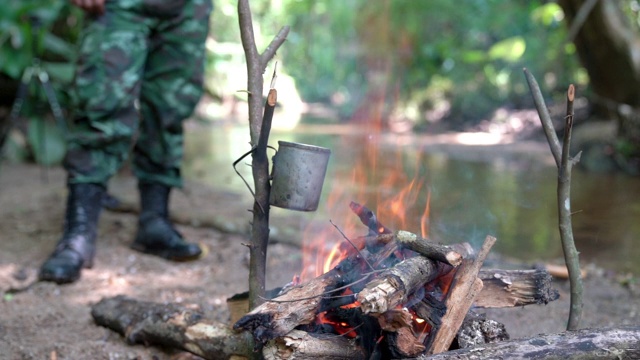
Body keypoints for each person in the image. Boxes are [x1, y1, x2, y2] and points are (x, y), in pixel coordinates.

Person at [39, 0, 213, 284]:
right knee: (101, 104)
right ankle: (78, 235)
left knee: (169, 109)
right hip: (119, 6)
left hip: (187, 8)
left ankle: (154, 223)